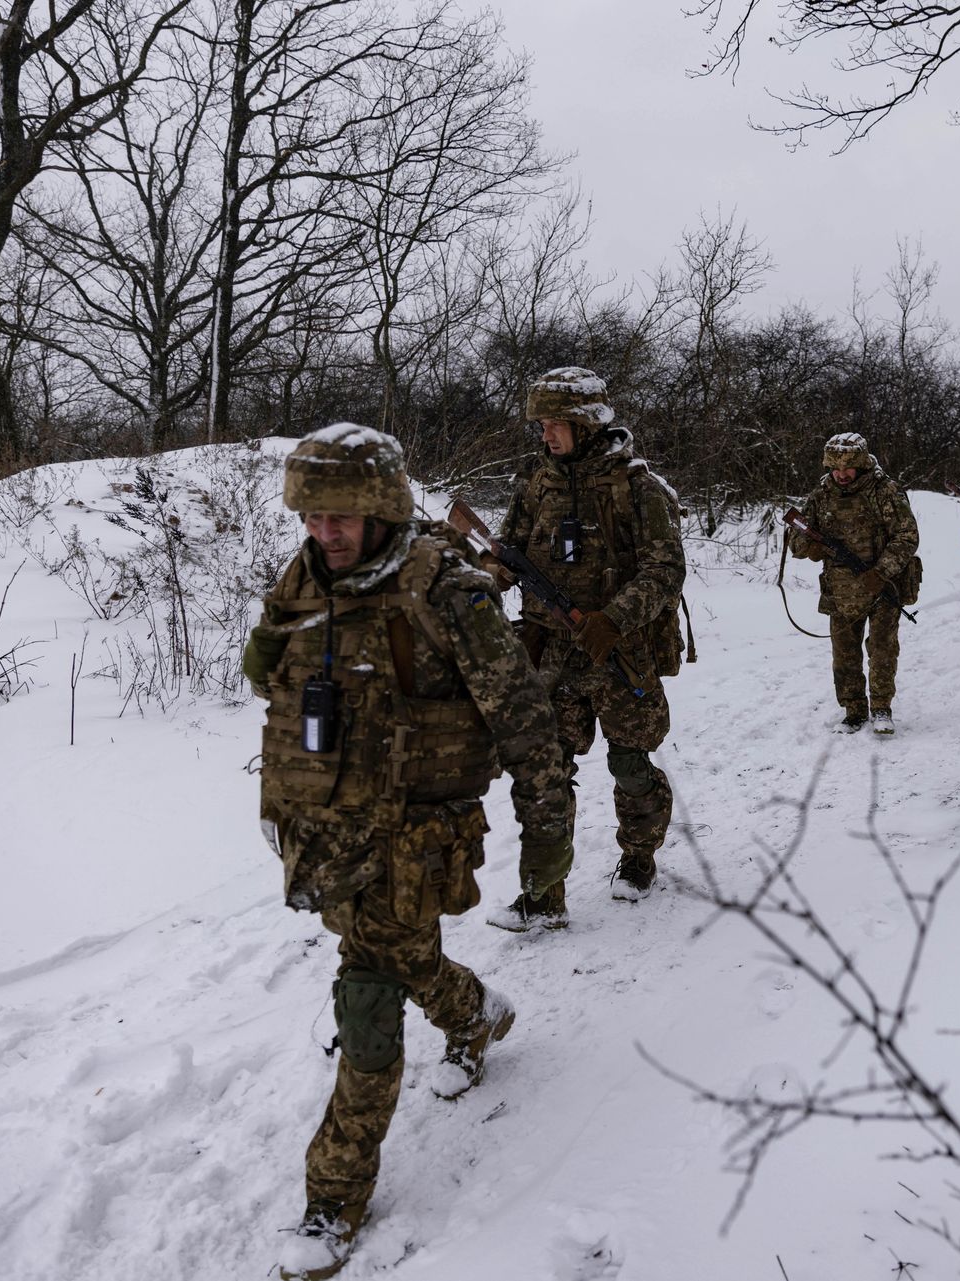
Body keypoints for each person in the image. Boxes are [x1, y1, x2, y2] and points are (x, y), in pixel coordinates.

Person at [244, 425, 573, 1281]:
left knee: (367, 995)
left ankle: (332, 1199)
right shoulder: (305, 574)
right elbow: (263, 673)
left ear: (385, 507)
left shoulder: (446, 593)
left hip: (414, 835)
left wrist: (547, 830)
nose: (326, 530)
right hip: (327, 830)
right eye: (312, 514)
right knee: (396, 951)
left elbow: (525, 720)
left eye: (343, 514)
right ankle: (475, 1013)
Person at [489, 368, 687, 928]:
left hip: (618, 654)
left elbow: (665, 569)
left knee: (628, 762)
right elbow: (509, 550)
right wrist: (484, 580)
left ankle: (640, 856)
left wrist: (614, 618)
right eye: (542, 424)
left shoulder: (636, 488)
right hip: (551, 652)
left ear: (586, 423)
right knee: (547, 770)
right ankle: (543, 895)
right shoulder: (535, 481)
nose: (547, 434)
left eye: (556, 424)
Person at [787, 431, 921, 733]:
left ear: (860, 464)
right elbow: (797, 539)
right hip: (840, 589)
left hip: (881, 586)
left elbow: (907, 536)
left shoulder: (884, 491)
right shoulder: (821, 496)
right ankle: (854, 710)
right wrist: (812, 547)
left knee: (883, 650)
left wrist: (882, 570)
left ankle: (882, 709)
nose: (841, 475)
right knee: (844, 653)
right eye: (835, 469)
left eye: (847, 468)